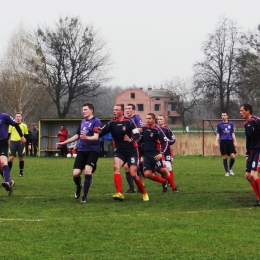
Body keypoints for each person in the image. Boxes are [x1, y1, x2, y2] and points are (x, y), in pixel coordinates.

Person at [94, 104, 149, 202]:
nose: (114, 111)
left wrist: (130, 139)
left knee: (133, 174)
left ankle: (144, 192)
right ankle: (119, 193)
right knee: (116, 167)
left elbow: (138, 136)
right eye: (113, 109)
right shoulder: (111, 123)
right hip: (120, 151)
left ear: (122, 112)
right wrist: (96, 130)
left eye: (116, 110)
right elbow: (101, 132)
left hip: (132, 150)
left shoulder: (129, 122)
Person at [56, 102, 102, 203]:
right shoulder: (82, 122)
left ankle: (84, 197)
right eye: (82, 110)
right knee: (76, 174)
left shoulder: (96, 122)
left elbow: (96, 137)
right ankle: (79, 186)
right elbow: (77, 136)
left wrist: (86, 137)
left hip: (93, 151)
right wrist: (64, 143)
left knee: (87, 171)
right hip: (82, 150)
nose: (83, 111)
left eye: (85, 109)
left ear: (91, 110)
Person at [138, 113, 178, 193]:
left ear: (153, 120)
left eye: (149, 118)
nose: (147, 120)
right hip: (147, 155)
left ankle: (174, 188)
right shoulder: (144, 129)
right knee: (147, 174)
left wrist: (161, 153)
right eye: (146, 118)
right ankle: (164, 181)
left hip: (156, 154)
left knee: (164, 169)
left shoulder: (158, 130)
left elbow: (166, 142)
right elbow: (139, 139)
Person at [0, 112, 26, 195]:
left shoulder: (4, 116)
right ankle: (10, 182)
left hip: (2, 143)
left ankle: (7, 182)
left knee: (3, 162)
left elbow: (16, 125)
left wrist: (22, 136)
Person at [240, 104, 260, 206]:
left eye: (242, 110)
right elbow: (248, 140)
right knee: (248, 176)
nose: (240, 113)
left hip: (258, 151)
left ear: (248, 111)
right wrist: (247, 155)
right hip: (252, 152)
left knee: (253, 175)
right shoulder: (246, 124)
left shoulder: (256, 120)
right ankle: (259, 198)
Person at [124, 103, 143, 193]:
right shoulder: (125, 119)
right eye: (126, 108)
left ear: (134, 110)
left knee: (136, 167)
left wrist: (131, 131)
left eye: (129, 108)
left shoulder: (137, 118)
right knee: (126, 167)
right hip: (127, 146)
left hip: (136, 146)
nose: (127, 110)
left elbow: (141, 129)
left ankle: (140, 186)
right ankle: (131, 188)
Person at [157, 115, 176, 192]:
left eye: (161, 119)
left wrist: (167, 142)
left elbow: (173, 139)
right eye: (158, 119)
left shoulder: (167, 129)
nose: (159, 120)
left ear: (164, 120)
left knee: (168, 166)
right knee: (161, 168)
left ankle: (171, 184)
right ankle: (165, 183)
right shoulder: (155, 129)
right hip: (158, 152)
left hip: (167, 151)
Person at [214, 111, 237, 176]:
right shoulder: (219, 125)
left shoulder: (231, 124)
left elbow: (232, 133)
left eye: (224, 115)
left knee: (232, 156)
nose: (223, 117)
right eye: (222, 115)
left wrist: (235, 141)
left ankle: (230, 168)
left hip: (230, 141)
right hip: (223, 141)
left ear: (227, 116)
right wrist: (216, 142)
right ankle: (227, 172)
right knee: (224, 156)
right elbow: (218, 134)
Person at [8, 112, 31, 177]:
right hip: (13, 142)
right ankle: (8, 173)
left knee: (21, 157)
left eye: (19, 116)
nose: (18, 117)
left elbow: (27, 136)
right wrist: (7, 142)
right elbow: (8, 135)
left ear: (21, 117)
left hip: (21, 143)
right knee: (11, 158)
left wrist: (29, 144)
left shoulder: (24, 125)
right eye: (17, 116)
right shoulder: (11, 125)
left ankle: (21, 173)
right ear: (15, 117)